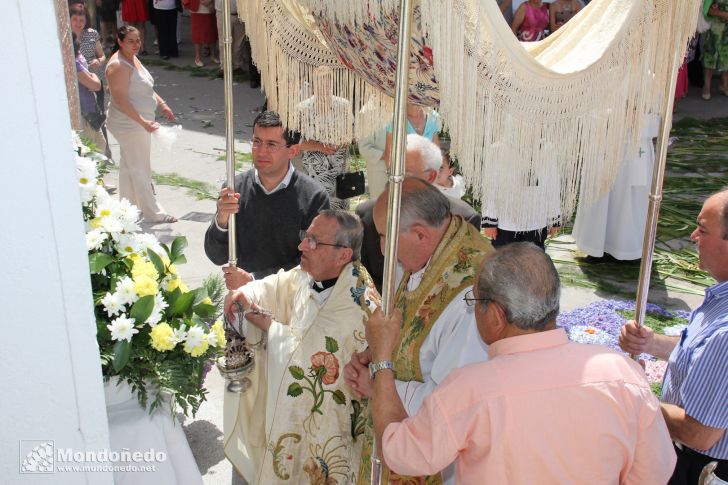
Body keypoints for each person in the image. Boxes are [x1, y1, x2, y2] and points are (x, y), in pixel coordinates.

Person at [366, 242, 676, 484]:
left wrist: (382, 361)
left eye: (474, 301)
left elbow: (400, 453)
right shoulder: (622, 373)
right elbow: (654, 472)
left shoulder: (470, 389)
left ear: (497, 315)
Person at [346, 177, 493, 484]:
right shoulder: (430, 248)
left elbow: (453, 403)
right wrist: (373, 354)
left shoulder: (471, 296)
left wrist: (378, 382)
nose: (383, 250)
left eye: (386, 236)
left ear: (421, 234)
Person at [222, 210, 380, 485]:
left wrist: (270, 328)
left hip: (329, 431)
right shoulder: (311, 274)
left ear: (343, 254)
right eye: (305, 237)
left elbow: (313, 365)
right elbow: (278, 286)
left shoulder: (359, 308)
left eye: (313, 242)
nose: (301, 246)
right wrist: (247, 293)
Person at [620, 189, 728, 484]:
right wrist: (652, 344)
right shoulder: (721, 297)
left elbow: (700, 433)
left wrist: (636, 397)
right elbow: (701, 354)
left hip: (701, 467)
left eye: (703, 230)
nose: (694, 236)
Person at [204, 111, 330, 288]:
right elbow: (216, 256)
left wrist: (255, 280)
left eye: (271, 144)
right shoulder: (235, 189)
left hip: (290, 301)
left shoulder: (313, 196)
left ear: (293, 150)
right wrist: (221, 221)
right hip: (243, 300)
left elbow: (314, 261)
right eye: (257, 142)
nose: (261, 151)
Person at [356, 134, 481, 292]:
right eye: (391, 172)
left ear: (431, 176)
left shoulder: (462, 219)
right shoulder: (367, 215)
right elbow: (368, 282)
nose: (394, 180)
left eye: (404, 174)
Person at [106, 26, 177, 222]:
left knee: (130, 165)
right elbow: (120, 100)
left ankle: (128, 208)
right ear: (120, 42)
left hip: (137, 122)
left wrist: (162, 104)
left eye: (138, 40)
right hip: (128, 124)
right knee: (140, 167)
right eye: (131, 41)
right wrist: (143, 122)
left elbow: (144, 87)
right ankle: (154, 213)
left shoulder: (132, 58)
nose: (136, 45)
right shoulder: (117, 65)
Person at [572, 113, 659, 261]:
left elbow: (659, 117)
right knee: (600, 198)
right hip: (605, 142)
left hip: (636, 147)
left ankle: (630, 248)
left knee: (631, 200)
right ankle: (597, 246)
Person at [481, 140, 561, 249]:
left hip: (536, 221)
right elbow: (491, 186)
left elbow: (553, 186)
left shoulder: (548, 149)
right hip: (506, 221)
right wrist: (489, 221)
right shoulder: (498, 149)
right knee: (504, 262)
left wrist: (554, 219)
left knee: (534, 262)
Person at [296, 67, 354, 211]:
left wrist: (341, 140)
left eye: (327, 83)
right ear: (314, 84)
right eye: (320, 83)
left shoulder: (343, 105)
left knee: (340, 217)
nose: (324, 87)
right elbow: (297, 143)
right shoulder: (302, 109)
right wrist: (320, 146)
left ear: (332, 83)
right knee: (317, 213)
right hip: (314, 172)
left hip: (340, 172)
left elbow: (353, 135)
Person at [70, 4, 109, 154]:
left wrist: (99, 61)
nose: (79, 23)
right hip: (82, 90)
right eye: (75, 19)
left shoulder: (91, 34)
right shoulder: (66, 38)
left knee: (98, 117)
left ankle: (107, 154)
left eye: (82, 20)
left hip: (93, 84)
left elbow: (102, 55)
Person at [382, 103, 440, 169]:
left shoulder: (433, 117)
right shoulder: (395, 118)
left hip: (426, 175)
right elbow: (389, 155)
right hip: (403, 175)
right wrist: (395, 177)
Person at [701, 1, 728, 100]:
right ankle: (706, 87)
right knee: (710, 56)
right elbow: (707, 10)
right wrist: (716, 12)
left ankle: (724, 85)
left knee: (726, 57)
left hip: (726, 31)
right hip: (714, 30)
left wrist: (717, 13)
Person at [189, 0, 218, 67]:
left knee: (212, 32)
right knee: (197, 34)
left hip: (210, 7)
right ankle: (197, 58)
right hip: (197, 8)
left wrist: (210, 1)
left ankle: (213, 56)